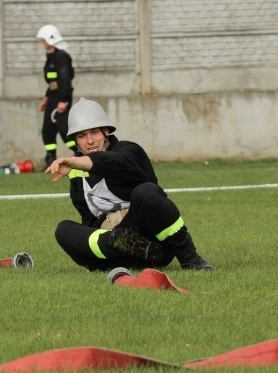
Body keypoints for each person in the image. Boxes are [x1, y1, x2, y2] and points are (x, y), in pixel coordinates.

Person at [45, 97, 214, 272]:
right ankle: (115, 244)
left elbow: (114, 162)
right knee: (63, 229)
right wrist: (93, 243)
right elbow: (89, 221)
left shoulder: (129, 152)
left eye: (94, 132)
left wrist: (79, 162)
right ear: (76, 140)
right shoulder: (76, 173)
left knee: (146, 192)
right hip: (113, 250)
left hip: (153, 245)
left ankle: (190, 259)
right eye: (82, 136)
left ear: (106, 131)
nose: (89, 141)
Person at [36, 24, 76, 168]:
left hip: (61, 98)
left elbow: (65, 80)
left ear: (50, 39)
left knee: (64, 128)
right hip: (53, 97)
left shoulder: (62, 56)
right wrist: (46, 99)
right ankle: (50, 157)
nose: (42, 43)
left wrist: (63, 101)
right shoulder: (51, 57)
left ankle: (79, 153)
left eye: (43, 40)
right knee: (48, 129)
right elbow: (53, 82)